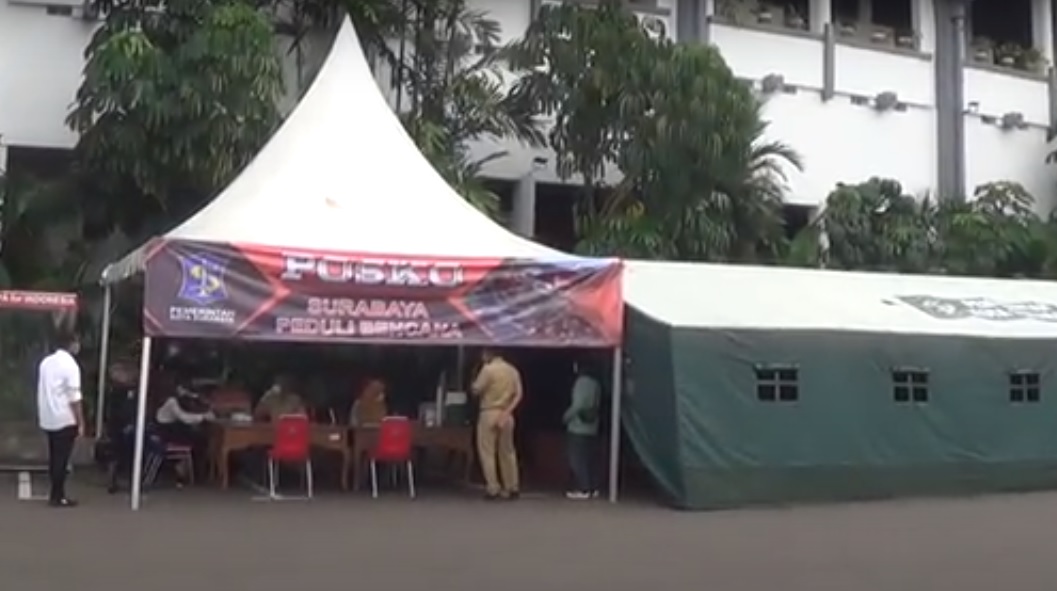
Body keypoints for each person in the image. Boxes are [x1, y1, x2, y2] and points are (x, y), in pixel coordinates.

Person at [36, 331, 85, 508]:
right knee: (62, 459)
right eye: (77, 342)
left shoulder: (46, 363)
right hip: (65, 417)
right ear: (71, 344)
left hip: (48, 416)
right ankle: (58, 495)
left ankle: (56, 493)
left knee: (54, 456)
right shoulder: (71, 366)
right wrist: (81, 422)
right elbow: (74, 396)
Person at [470, 348, 523, 500]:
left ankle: (493, 487)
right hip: (507, 413)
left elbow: (477, 390)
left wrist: (473, 381)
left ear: (488, 354)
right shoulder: (512, 370)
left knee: (487, 452)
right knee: (508, 451)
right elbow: (519, 394)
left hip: (489, 412)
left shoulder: (488, 370)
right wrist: (507, 411)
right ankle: (512, 486)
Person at [155, 384, 213, 486]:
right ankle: (188, 473)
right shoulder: (171, 402)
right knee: (199, 441)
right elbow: (184, 418)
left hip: (170, 432)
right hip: (167, 434)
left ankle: (187, 471)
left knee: (199, 439)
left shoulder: (176, 400)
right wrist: (203, 417)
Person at [562, 361, 601, 500]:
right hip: (593, 426)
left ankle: (582, 488)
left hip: (578, 427)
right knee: (590, 459)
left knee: (576, 459)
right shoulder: (596, 383)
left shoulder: (581, 382)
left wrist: (566, 417)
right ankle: (593, 488)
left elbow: (577, 405)